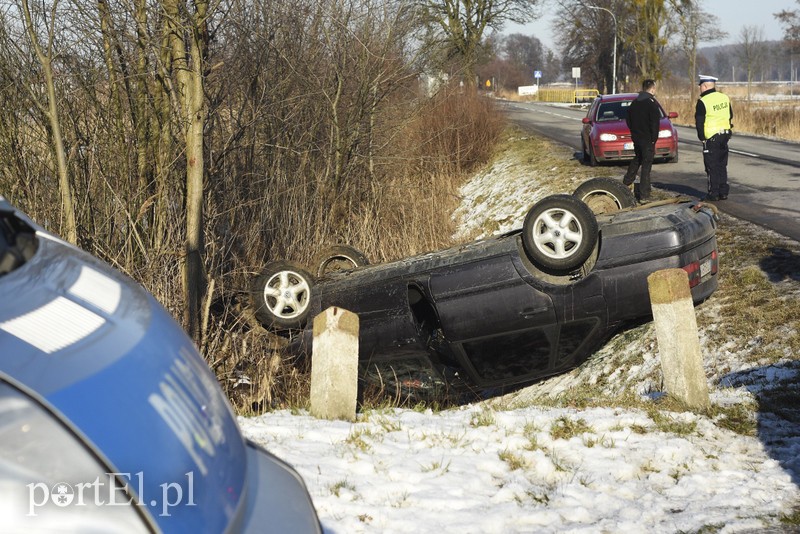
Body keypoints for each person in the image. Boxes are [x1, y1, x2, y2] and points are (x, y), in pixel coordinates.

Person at [695, 74, 733, 201]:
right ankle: (723, 192)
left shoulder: (703, 101)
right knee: (722, 165)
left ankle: (713, 193)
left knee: (711, 166)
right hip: (725, 135)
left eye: (700, 86)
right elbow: (730, 115)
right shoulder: (724, 97)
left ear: (705, 86)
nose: (699, 88)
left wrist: (702, 137)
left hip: (711, 138)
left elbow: (699, 122)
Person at [622, 79, 661, 202]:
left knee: (637, 159)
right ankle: (644, 195)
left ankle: (626, 182)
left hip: (637, 137)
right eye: (655, 88)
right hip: (647, 139)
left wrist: (634, 131)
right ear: (652, 88)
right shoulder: (651, 103)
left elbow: (628, 120)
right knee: (646, 166)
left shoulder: (635, 103)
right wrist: (654, 139)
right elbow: (655, 123)